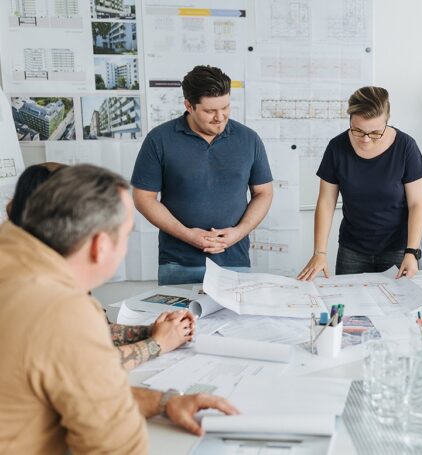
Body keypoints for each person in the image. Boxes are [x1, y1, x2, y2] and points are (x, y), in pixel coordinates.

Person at [0, 164, 236, 454]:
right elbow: (117, 447)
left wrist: (164, 403)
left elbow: (83, 387)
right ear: (100, 245)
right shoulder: (61, 308)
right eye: (126, 235)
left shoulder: (12, 254)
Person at [6, 163, 195, 371]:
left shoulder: (48, 258)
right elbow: (86, 364)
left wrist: (154, 331)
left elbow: (89, 332)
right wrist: (157, 344)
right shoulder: (37, 285)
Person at [131, 65, 273, 285]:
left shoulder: (249, 139)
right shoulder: (159, 139)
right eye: (210, 111)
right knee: (179, 321)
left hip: (235, 262)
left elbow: (263, 193)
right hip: (177, 263)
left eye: (225, 107)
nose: (220, 117)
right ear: (188, 105)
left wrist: (239, 232)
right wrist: (188, 235)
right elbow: (143, 198)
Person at [297, 86, 422, 281]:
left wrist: (412, 252)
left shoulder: (406, 147)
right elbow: (326, 201)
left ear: (387, 121)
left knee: (397, 307)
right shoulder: (337, 148)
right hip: (353, 250)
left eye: (375, 132)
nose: (366, 140)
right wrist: (320, 253)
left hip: (398, 248)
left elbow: (417, 204)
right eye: (358, 130)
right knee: (349, 307)